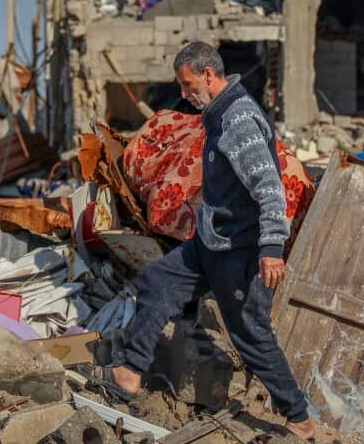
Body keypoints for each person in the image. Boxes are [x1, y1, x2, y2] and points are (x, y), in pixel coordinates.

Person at [96, 41, 315, 439]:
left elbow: (270, 188)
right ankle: (130, 372)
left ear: (209, 76)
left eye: (187, 84)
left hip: (240, 252)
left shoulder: (240, 121)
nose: (183, 94)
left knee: (252, 336)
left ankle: (298, 416)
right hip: (210, 242)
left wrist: (270, 250)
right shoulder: (217, 114)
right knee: (159, 280)